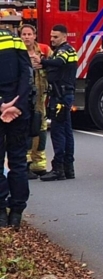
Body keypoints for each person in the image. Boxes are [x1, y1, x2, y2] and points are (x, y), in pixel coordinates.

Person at [0, 25, 33, 228]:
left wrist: (2, 104)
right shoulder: (15, 40)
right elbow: (27, 75)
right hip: (19, 112)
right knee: (19, 163)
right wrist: (17, 104)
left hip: (2, 108)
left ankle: (1, 213)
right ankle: (17, 213)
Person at [39, 24, 78, 182]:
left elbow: (59, 63)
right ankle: (68, 168)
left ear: (64, 36)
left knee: (58, 132)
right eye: (51, 36)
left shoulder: (65, 50)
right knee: (67, 132)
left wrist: (42, 61)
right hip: (64, 94)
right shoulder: (67, 50)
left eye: (56, 37)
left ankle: (58, 169)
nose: (52, 39)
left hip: (61, 96)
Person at [20, 24, 51, 179]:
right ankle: (24, 164)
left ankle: (38, 164)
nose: (26, 37)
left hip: (40, 95)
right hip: (24, 96)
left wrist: (42, 63)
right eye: (24, 34)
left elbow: (53, 68)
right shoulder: (17, 51)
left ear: (35, 35)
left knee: (40, 127)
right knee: (26, 128)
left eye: (29, 34)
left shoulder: (44, 50)